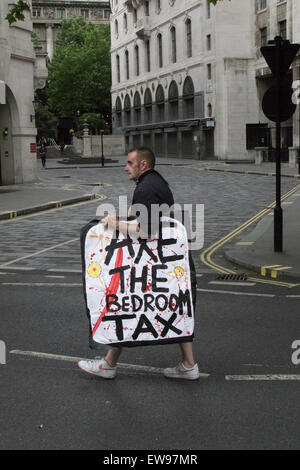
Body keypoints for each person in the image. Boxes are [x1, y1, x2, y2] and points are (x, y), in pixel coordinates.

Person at [78, 147, 200, 380]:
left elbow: (146, 231)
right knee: (174, 307)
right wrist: (125, 214)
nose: (126, 167)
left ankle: (108, 364)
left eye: (129, 163)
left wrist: (115, 224)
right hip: (167, 262)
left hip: (150, 263)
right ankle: (188, 364)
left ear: (142, 165)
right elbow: (148, 213)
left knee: (127, 304)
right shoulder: (158, 183)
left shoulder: (145, 188)